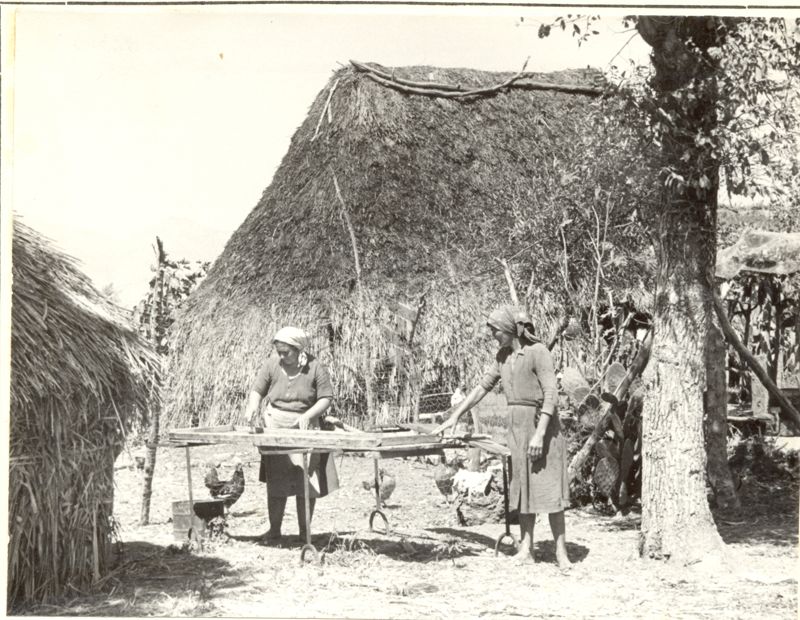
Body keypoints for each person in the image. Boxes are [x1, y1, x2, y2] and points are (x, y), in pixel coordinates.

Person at [434, 306, 571, 569]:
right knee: (523, 487)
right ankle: (526, 549)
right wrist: (454, 415)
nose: (493, 334)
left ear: (510, 329)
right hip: (516, 428)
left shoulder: (538, 353)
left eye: (496, 330)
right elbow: (481, 388)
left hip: (542, 426)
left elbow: (551, 393)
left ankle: (561, 552)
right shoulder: (502, 357)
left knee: (550, 489)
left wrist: (540, 434)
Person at [243, 326, 339, 543]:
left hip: (305, 426)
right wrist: (252, 407)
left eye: (286, 352)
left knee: (305, 481)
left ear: (298, 349)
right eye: (279, 351)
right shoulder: (272, 364)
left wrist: (309, 415)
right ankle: (274, 530)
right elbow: (258, 390)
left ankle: (305, 533)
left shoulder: (314, 367)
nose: (282, 356)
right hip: (276, 425)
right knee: (276, 480)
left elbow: (326, 397)